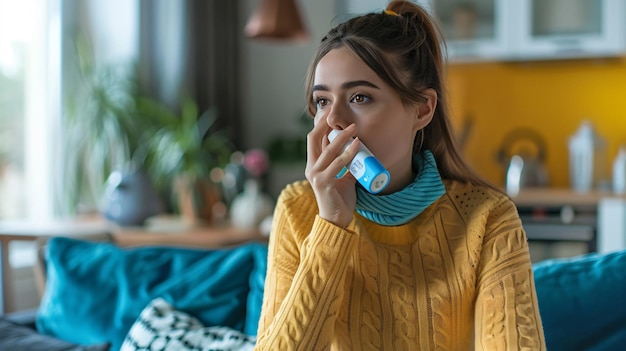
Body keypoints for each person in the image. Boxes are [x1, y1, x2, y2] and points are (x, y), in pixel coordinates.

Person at [254, 1, 546, 350]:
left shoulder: (488, 218)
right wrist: (332, 223)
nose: (332, 122)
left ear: (422, 109)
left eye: (360, 97)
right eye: (322, 101)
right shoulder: (298, 209)